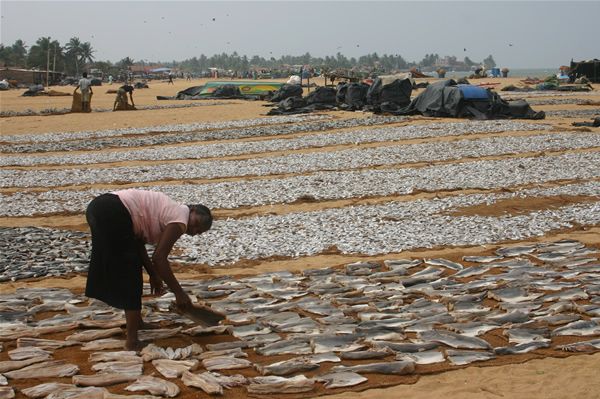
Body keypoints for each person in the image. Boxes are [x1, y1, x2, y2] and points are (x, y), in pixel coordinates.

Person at [85, 189, 212, 351]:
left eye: (198, 232)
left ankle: (137, 322)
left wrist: (153, 275)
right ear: (192, 210)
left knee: (131, 267)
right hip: (112, 210)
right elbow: (159, 258)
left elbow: (138, 244)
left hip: (99, 208)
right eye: (196, 223)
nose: (193, 230)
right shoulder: (180, 218)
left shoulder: (168, 213)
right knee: (129, 276)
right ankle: (132, 342)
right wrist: (179, 293)